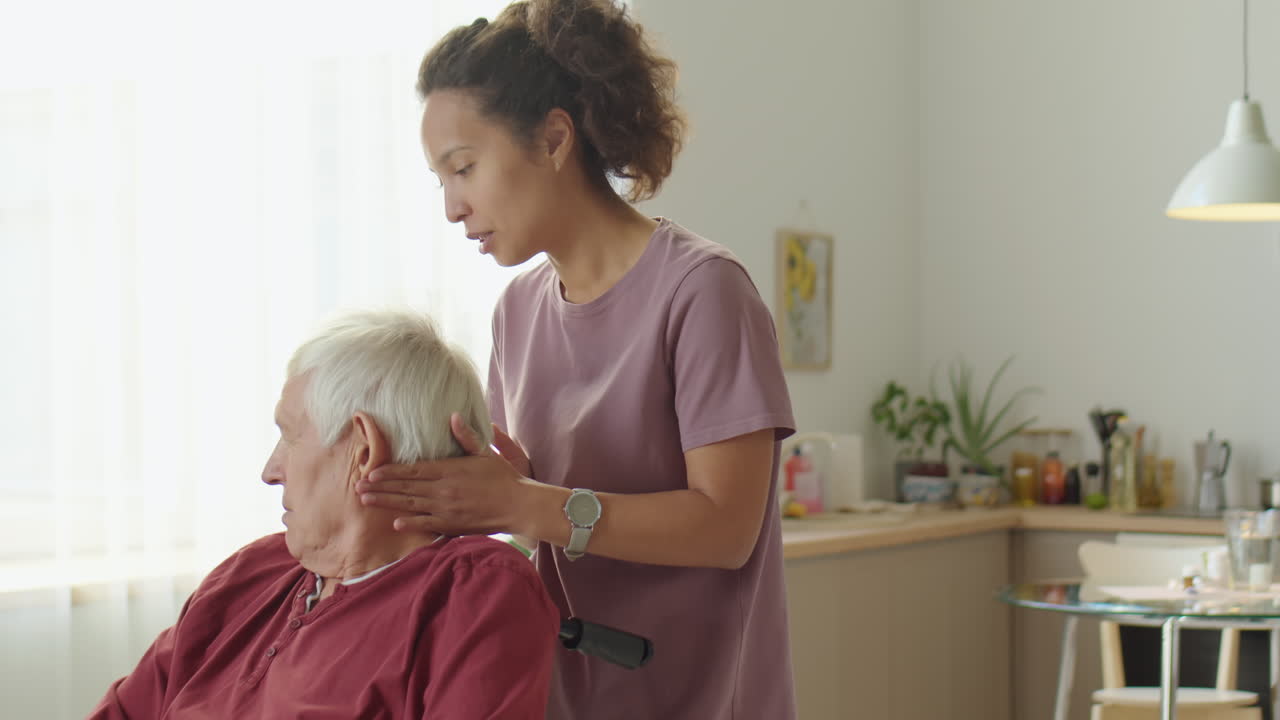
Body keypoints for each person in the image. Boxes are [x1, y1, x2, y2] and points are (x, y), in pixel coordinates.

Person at [356, 1, 798, 718]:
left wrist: (528, 501)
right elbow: (540, 524)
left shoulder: (703, 292)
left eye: (463, 168)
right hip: (562, 693)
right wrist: (487, 493)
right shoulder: (519, 311)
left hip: (703, 698)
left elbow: (727, 529)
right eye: (441, 180)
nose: (452, 207)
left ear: (554, 138)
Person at [90, 309, 558, 719]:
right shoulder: (249, 574)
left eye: (290, 436)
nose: (271, 471)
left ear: (362, 448)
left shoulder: (472, 592)